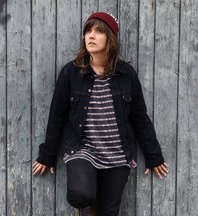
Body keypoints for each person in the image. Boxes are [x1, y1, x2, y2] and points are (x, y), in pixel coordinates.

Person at [32, 12, 168, 216]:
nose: (91, 36)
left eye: (98, 31)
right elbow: (57, 115)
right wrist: (47, 156)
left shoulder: (126, 74)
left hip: (117, 153)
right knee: (80, 195)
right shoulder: (71, 72)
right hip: (82, 149)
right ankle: (90, 203)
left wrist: (154, 156)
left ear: (110, 38)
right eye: (88, 31)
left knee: (108, 213)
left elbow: (139, 116)